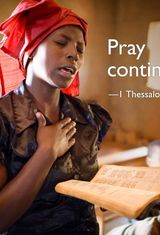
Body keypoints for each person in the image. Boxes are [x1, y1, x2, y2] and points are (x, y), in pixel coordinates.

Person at [0, 0, 112, 234]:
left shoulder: (88, 116)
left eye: (80, 49)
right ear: (30, 48)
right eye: (61, 42)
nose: (74, 54)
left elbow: (89, 191)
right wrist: (46, 152)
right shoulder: (4, 119)